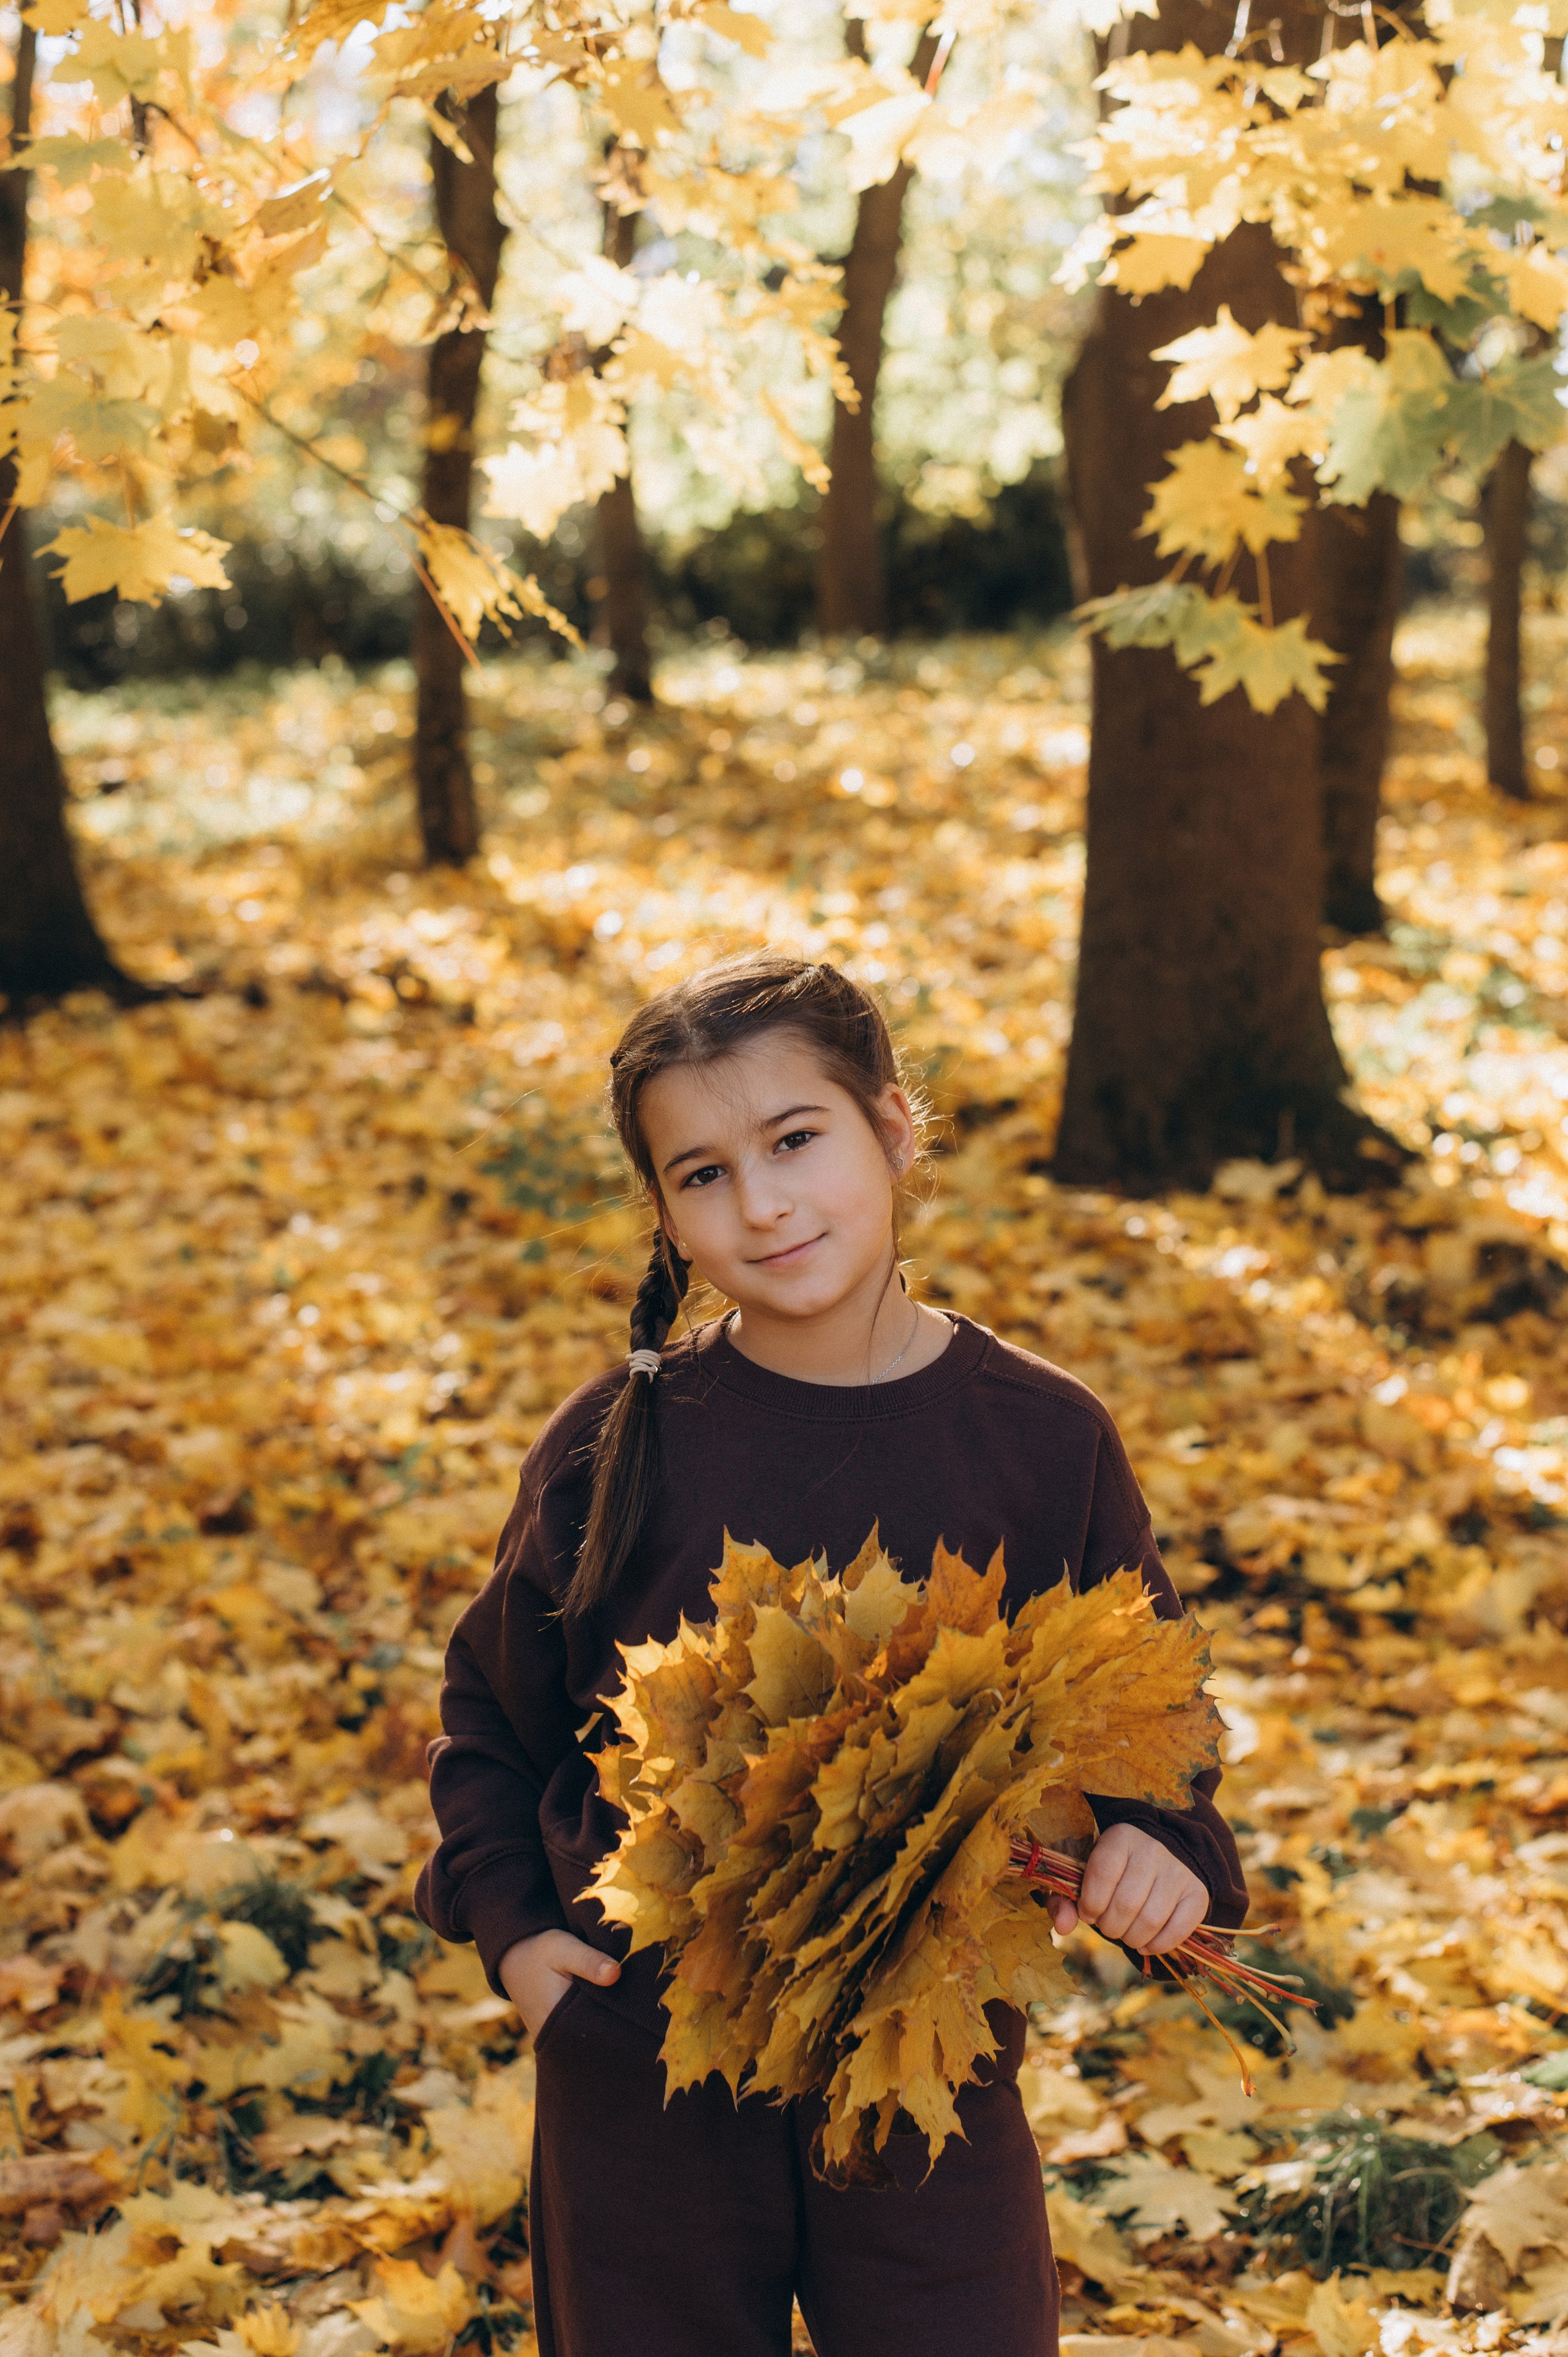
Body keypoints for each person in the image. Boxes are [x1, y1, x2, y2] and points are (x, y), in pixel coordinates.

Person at [415, 951, 1246, 2357]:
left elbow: (1147, 1721)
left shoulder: (1039, 1439)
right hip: (644, 2061)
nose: (761, 1203)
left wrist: (1157, 1843)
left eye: (795, 1140)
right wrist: (517, 1939)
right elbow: (493, 1718)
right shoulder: (616, 1443)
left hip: (929, 2055)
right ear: (666, 1212)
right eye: (701, 1173)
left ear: (891, 1125)